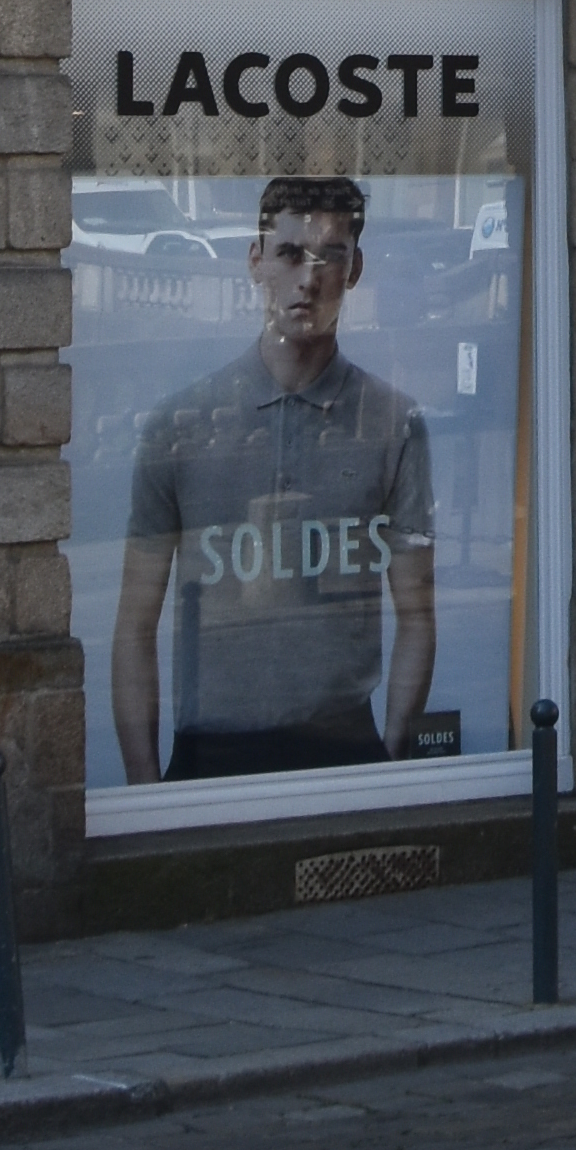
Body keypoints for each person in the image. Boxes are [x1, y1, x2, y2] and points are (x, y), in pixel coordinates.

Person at [108, 173, 435, 779]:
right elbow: (134, 625)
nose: (308, 278)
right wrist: (144, 791)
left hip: (346, 746)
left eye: (330, 256)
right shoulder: (181, 424)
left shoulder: (392, 422)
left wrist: (393, 754)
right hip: (213, 748)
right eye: (289, 253)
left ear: (354, 267)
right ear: (256, 261)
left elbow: (416, 611)